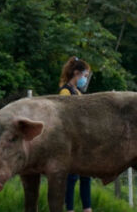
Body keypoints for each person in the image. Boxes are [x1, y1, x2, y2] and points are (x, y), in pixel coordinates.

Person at [58, 56, 93, 212]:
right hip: (70, 140)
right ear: (76, 73)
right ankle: (70, 209)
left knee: (86, 176)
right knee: (71, 178)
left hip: (83, 139)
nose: (85, 79)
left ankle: (87, 208)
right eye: (84, 76)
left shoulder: (78, 92)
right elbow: (65, 116)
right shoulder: (65, 91)